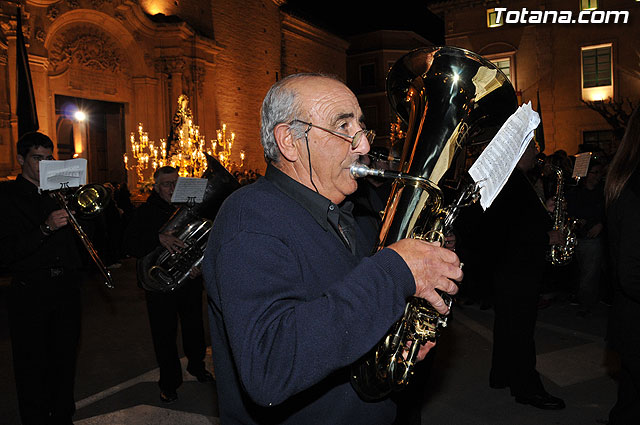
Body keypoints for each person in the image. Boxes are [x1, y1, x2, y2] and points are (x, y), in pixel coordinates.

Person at [202, 73, 462, 425]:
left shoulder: (353, 213)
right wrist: (397, 270)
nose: (365, 147)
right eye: (343, 127)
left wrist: (391, 349)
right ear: (290, 141)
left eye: (362, 129)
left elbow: (341, 317)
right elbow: (270, 368)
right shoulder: (249, 218)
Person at [0, 132, 84, 424]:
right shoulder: (6, 197)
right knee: (31, 365)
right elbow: (6, 252)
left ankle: (63, 415)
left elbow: (83, 245)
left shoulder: (58, 193)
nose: (45, 164)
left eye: (49, 158)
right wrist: (45, 229)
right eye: (38, 158)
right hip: (31, 292)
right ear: (22, 159)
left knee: (64, 360)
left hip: (67, 289)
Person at [484, 140, 566, 410]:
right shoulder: (512, 184)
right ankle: (527, 388)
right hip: (517, 272)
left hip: (510, 271)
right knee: (521, 331)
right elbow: (510, 234)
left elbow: (519, 223)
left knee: (508, 326)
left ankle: (502, 375)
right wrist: (547, 237)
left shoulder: (513, 180)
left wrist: (547, 210)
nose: (535, 153)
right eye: (531, 148)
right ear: (518, 152)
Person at [122, 166, 214, 404]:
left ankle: (197, 366)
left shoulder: (190, 209)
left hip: (188, 281)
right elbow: (129, 244)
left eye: (175, 183)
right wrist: (158, 238)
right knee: (164, 335)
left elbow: (203, 242)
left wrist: (198, 265)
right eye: (166, 184)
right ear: (155, 187)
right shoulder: (144, 212)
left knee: (195, 328)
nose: (172, 188)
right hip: (159, 285)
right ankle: (169, 383)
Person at [604, 105, 640, 425]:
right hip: (635, 319)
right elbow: (631, 271)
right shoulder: (636, 185)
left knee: (630, 402)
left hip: (628, 318)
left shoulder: (623, 177)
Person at [566, 159, 606, 316]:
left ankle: (586, 304)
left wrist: (600, 224)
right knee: (581, 272)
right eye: (594, 172)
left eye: (599, 172)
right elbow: (572, 210)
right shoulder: (576, 192)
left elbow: (607, 211)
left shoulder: (602, 192)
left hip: (592, 240)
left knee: (589, 275)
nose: (598, 176)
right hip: (578, 237)